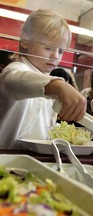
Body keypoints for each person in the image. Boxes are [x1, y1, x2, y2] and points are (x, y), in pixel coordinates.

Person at [0, 9, 86, 149]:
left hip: (35, 162)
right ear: (26, 42)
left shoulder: (49, 80)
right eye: (48, 48)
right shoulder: (15, 69)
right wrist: (58, 85)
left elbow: (41, 126)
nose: (55, 56)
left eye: (61, 51)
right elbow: (15, 80)